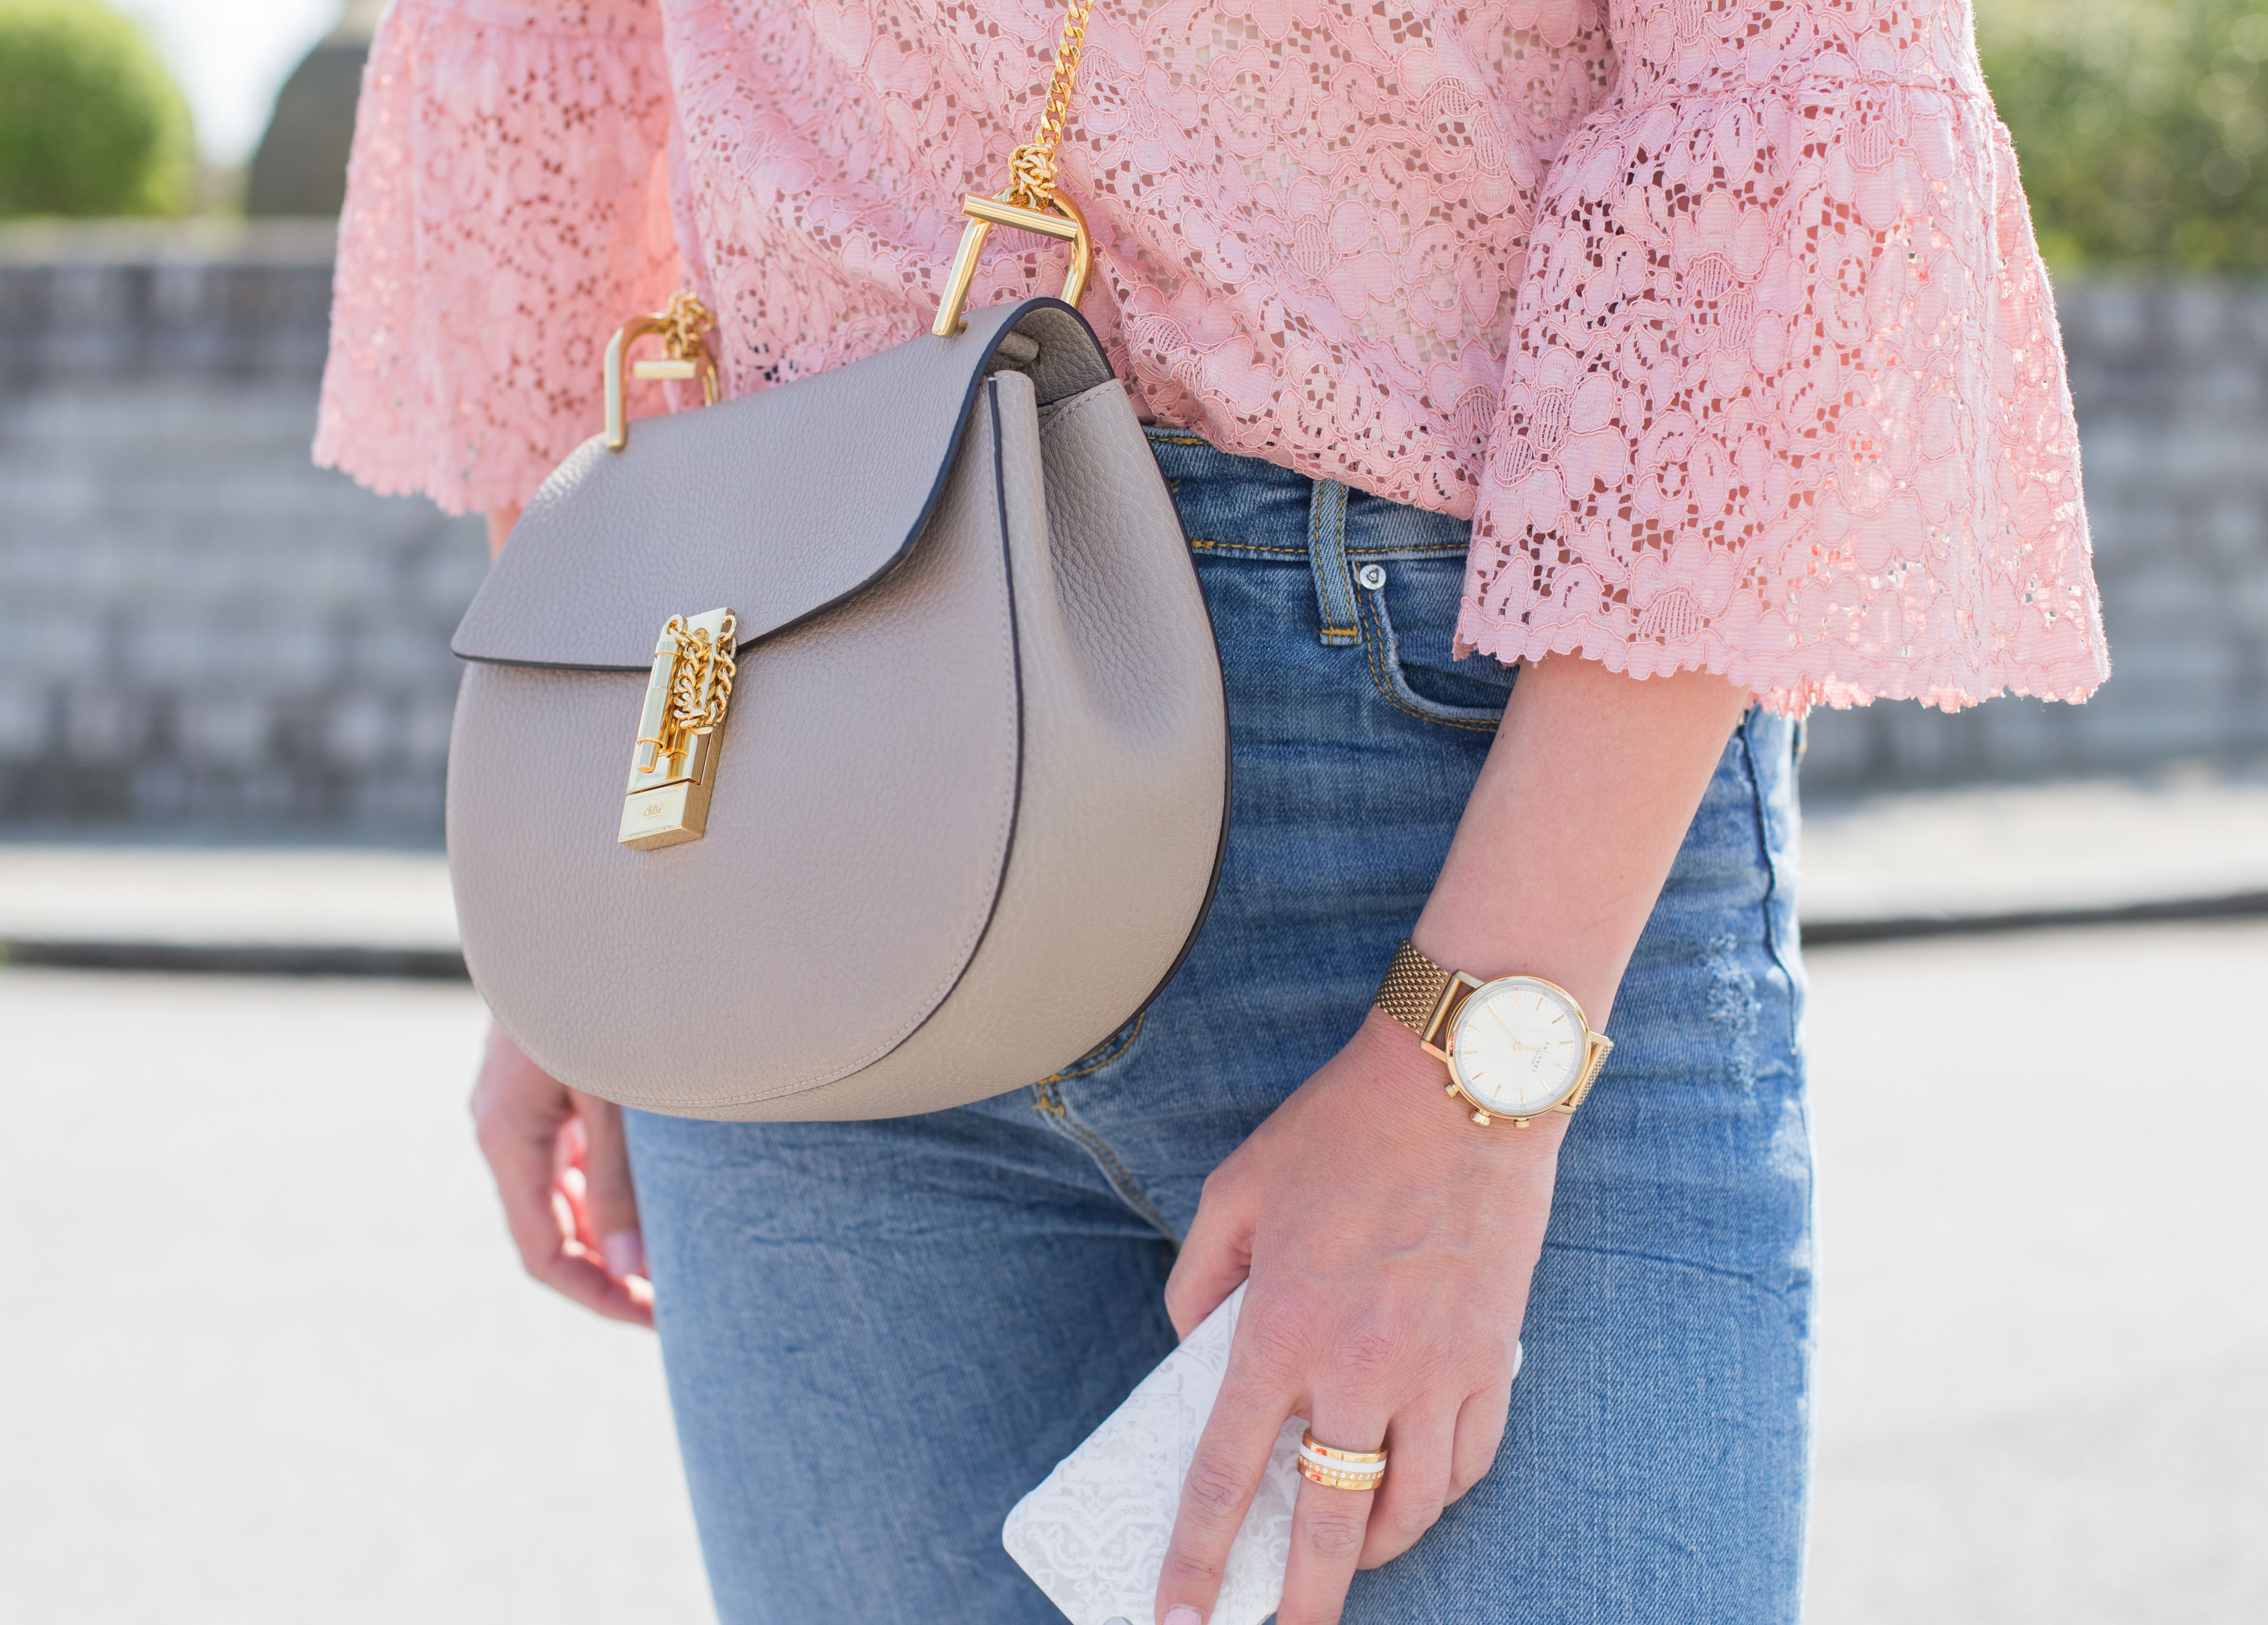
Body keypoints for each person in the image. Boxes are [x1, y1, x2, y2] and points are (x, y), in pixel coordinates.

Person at [316, 1, 2106, 1620]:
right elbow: (527, 59)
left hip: (1457, 793)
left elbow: (1788, 83)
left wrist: (1463, 1072)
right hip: (796, 744)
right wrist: (588, 876)